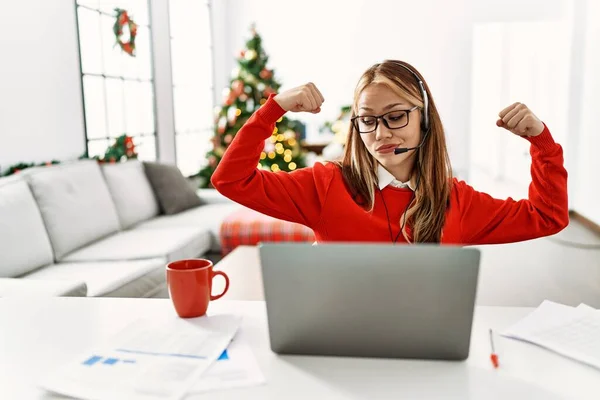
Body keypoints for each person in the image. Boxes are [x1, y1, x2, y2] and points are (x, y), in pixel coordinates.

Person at [211, 60, 568, 245]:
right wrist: (273, 109)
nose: (380, 133)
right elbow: (230, 180)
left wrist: (542, 144)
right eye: (367, 120)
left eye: (395, 116)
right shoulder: (325, 186)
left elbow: (548, 217)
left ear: (424, 119)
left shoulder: (457, 202)